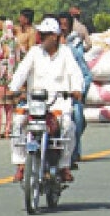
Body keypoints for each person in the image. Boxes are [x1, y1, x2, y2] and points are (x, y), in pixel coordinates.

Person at [7, 17, 84, 183]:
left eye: (45, 34)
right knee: (18, 122)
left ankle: (64, 166)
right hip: (35, 103)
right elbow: (22, 71)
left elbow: (75, 73)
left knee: (68, 126)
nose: (41, 37)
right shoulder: (34, 52)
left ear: (55, 36)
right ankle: (20, 164)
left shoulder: (66, 53)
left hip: (59, 103)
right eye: (40, 34)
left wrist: (76, 89)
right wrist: (13, 89)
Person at [58, 12, 92, 170]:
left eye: (66, 25)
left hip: (69, 94)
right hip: (51, 96)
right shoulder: (40, 51)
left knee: (76, 118)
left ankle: (72, 154)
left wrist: (80, 92)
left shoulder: (73, 49)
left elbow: (85, 74)